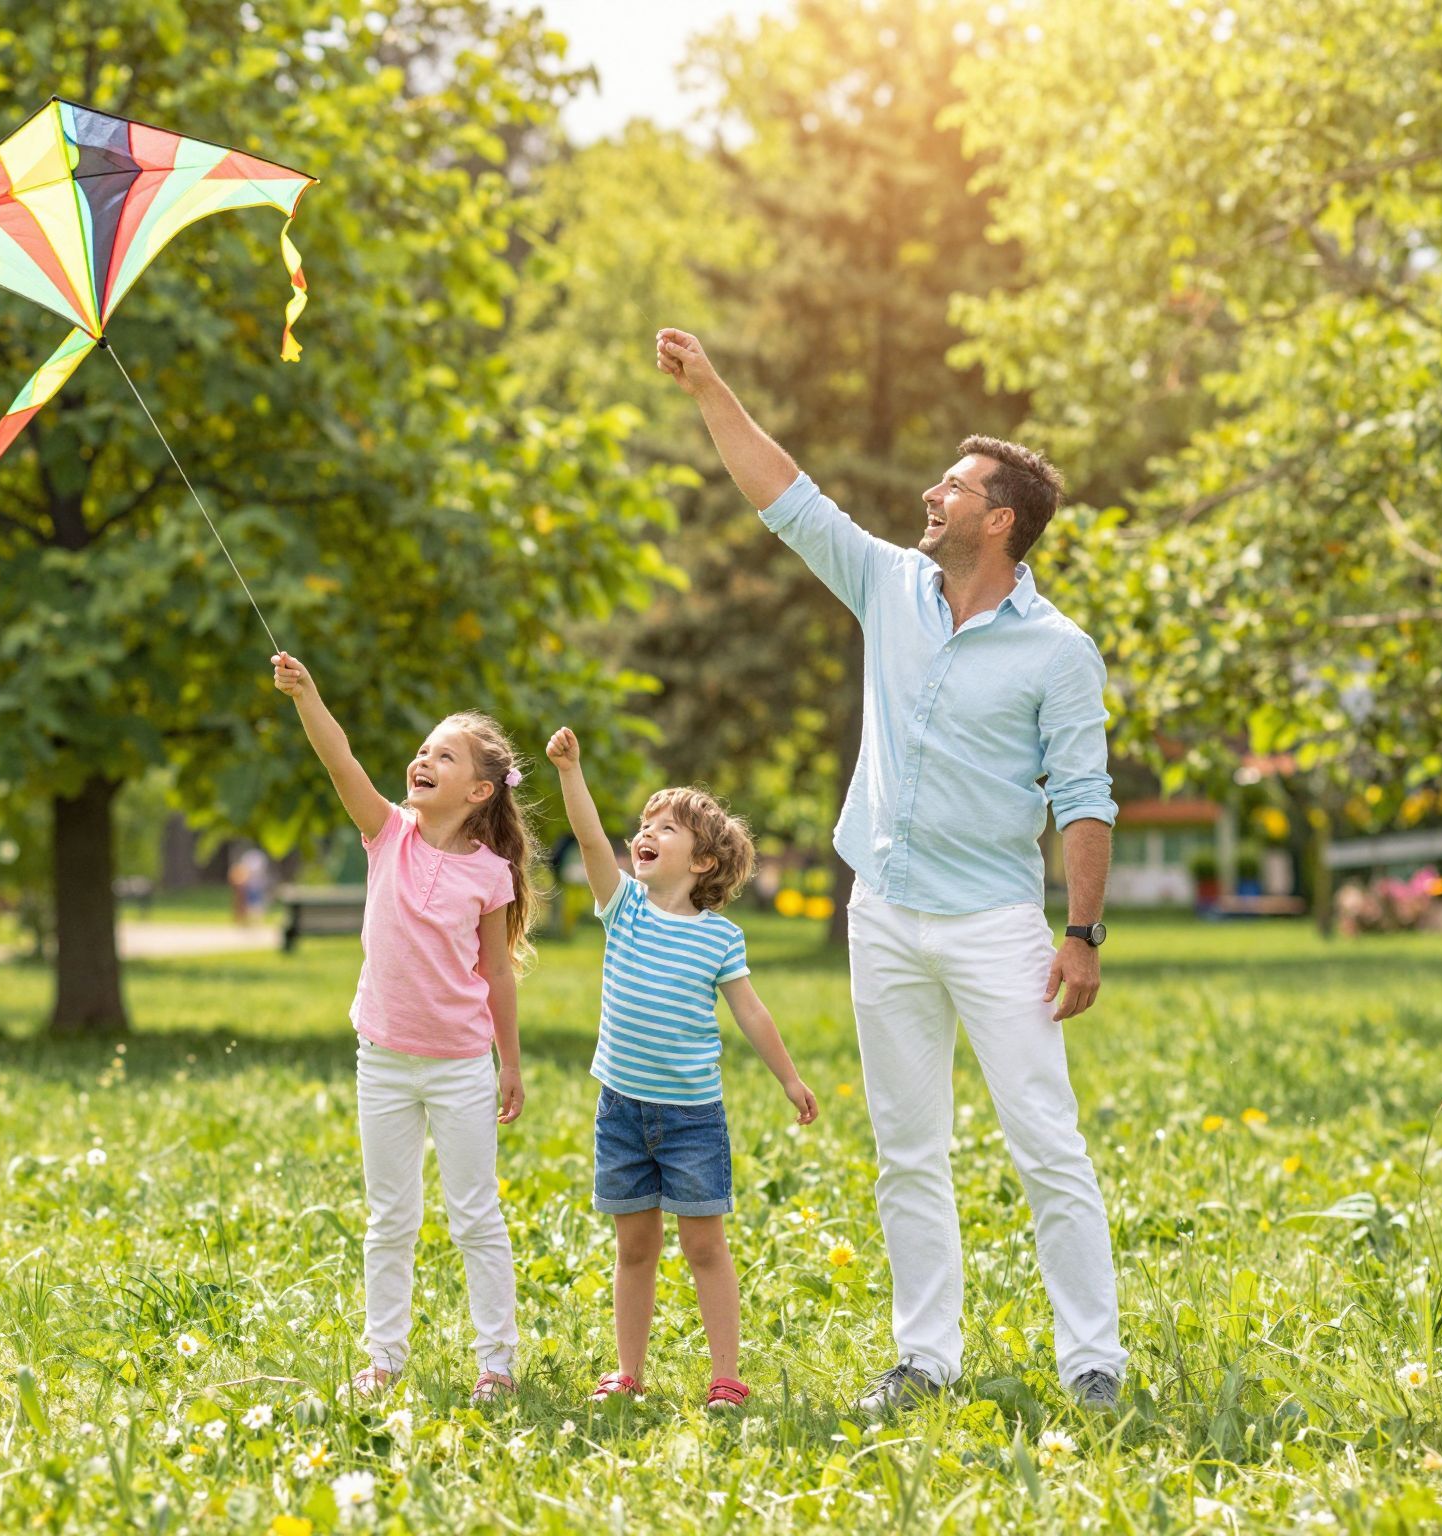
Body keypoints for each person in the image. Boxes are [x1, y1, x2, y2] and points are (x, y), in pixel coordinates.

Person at [656, 327, 1129, 1414]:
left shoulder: (1055, 650)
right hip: (883, 915)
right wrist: (713, 389)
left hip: (995, 927)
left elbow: (1085, 800)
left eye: (952, 486)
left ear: (998, 518)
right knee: (906, 1152)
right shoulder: (888, 587)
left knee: (1043, 1143)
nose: (929, 495)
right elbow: (788, 498)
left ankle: (1090, 1362)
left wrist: (1083, 933)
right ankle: (924, 1359)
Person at [271, 650, 536, 1405]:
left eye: (442, 755)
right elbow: (339, 757)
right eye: (423, 750)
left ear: (478, 790)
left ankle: (498, 1362)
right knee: (390, 1217)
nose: (422, 758)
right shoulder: (386, 833)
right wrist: (307, 692)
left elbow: (497, 975)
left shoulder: (490, 873)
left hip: (459, 1067)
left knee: (474, 1215)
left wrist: (507, 1064)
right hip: (382, 1060)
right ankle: (383, 1357)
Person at [545, 726, 820, 1412]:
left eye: (665, 828)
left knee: (704, 1247)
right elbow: (585, 839)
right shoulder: (623, 908)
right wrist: (571, 770)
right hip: (622, 1111)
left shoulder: (720, 938)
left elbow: (752, 1015)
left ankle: (725, 1374)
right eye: (644, 824)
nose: (647, 832)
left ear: (702, 862)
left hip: (693, 1119)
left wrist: (788, 1078)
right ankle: (628, 1370)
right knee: (633, 1247)